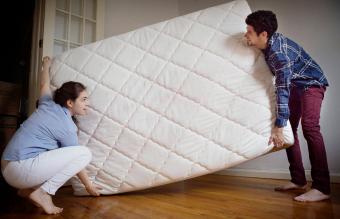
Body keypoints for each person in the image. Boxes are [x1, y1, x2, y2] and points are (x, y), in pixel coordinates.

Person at [244, 10, 330, 202]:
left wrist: (278, 125)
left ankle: (322, 187)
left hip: (312, 84)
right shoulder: (267, 45)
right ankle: (298, 180)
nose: (245, 34)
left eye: (249, 31)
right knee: (290, 129)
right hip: (295, 84)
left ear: (263, 34)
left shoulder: (279, 55)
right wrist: (282, 125)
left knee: (310, 128)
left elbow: (282, 89)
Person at [1, 56, 101, 214]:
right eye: (84, 99)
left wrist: (45, 65)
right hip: (20, 169)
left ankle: (27, 190)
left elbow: (44, 84)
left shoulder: (47, 104)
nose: (88, 104)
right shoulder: (67, 127)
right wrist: (88, 186)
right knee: (84, 153)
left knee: (52, 153)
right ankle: (43, 192)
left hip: (7, 166)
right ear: (70, 103)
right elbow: (77, 160)